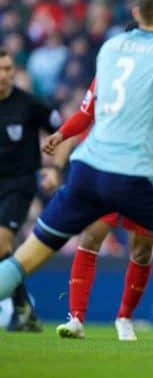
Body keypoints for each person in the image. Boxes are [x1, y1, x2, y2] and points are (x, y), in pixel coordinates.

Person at [0, 0, 153, 350]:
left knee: (27, 256)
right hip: (132, 175)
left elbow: (91, 108)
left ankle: (117, 317)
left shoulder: (110, 48)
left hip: (86, 171)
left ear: (137, 12)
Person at [43, 74, 153, 341]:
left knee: (142, 250)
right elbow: (85, 114)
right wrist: (62, 134)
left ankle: (125, 317)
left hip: (144, 174)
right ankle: (76, 318)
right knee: (91, 237)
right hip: (106, 167)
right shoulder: (108, 70)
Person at [0, 47, 65, 332]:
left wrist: (55, 168)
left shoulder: (28, 104)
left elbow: (64, 134)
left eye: (8, 70)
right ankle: (24, 309)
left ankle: (22, 310)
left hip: (19, 184)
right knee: (4, 248)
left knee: (1, 243)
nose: (4, 76)